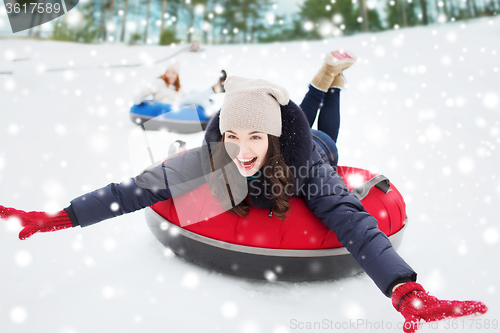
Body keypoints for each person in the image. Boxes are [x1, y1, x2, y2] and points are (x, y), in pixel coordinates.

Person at [0, 51, 487, 333]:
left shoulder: (307, 168)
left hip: (314, 145)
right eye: (233, 137)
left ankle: (330, 83)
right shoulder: (219, 154)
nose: (242, 150)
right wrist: (60, 217)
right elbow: (140, 188)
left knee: (330, 134)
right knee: (246, 141)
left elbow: (354, 221)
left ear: (272, 138)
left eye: (253, 138)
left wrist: (404, 289)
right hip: (280, 124)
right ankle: (325, 78)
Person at [133, 62, 226, 115]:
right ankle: (215, 89)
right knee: (191, 97)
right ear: (165, 74)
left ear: (176, 76)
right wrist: (139, 97)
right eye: (168, 72)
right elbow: (145, 91)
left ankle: (212, 114)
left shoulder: (177, 88)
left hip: (181, 104)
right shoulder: (159, 82)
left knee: (194, 92)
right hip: (170, 107)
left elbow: (188, 97)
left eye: (173, 73)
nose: (170, 75)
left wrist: (205, 98)